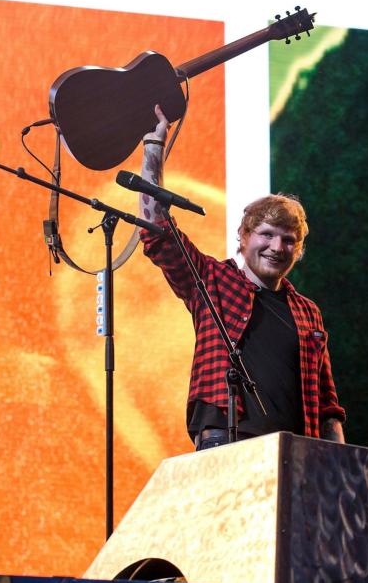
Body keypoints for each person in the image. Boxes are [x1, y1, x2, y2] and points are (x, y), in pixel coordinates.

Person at [138, 105, 345, 451]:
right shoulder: (212, 281)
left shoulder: (309, 313)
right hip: (225, 441)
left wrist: (340, 466)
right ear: (244, 236)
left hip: (297, 453)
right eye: (267, 234)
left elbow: (327, 405)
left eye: (288, 239)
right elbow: (156, 229)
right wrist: (153, 146)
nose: (277, 247)